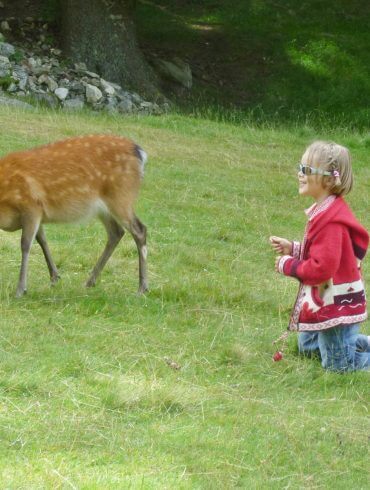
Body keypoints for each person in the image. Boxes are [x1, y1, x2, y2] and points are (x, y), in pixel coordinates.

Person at [270, 141, 370, 372]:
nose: (299, 173)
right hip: (327, 297)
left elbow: (322, 269)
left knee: (339, 366)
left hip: (337, 303)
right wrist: (294, 248)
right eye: (300, 167)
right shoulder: (327, 210)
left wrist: (289, 265)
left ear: (327, 179)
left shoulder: (331, 221)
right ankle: (350, 344)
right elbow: (326, 252)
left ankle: (349, 351)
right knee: (308, 346)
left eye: (306, 170)